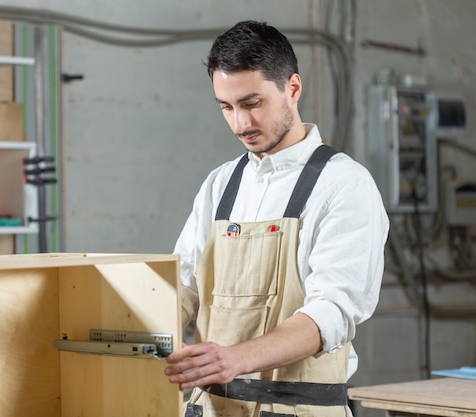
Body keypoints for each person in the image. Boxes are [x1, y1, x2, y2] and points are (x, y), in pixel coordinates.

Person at [164, 20, 390, 417]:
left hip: (297, 410)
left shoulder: (344, 184)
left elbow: (331, 313)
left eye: (252, 104)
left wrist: (237, 358)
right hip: (213, 409)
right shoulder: (222, 184)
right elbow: (181, 288)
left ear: (293, 88)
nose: (240, 124)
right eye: (227, 108)